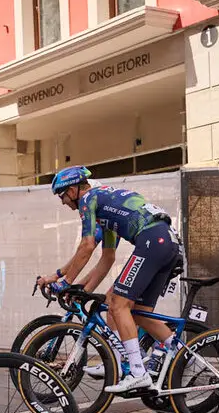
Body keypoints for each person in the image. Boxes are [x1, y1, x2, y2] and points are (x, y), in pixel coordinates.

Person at [37, 166, 184, 394]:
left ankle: (137, 372)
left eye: (62, 195)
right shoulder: (107, 208)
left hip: (153, 240)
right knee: (136, 310)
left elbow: (86, 246)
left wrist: (65, 283)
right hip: (165, 242)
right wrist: (80, 288)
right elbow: (107, 258)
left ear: (74, 189)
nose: (63, 202)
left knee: (118, 303)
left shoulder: (89, 200)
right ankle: (182, 354)